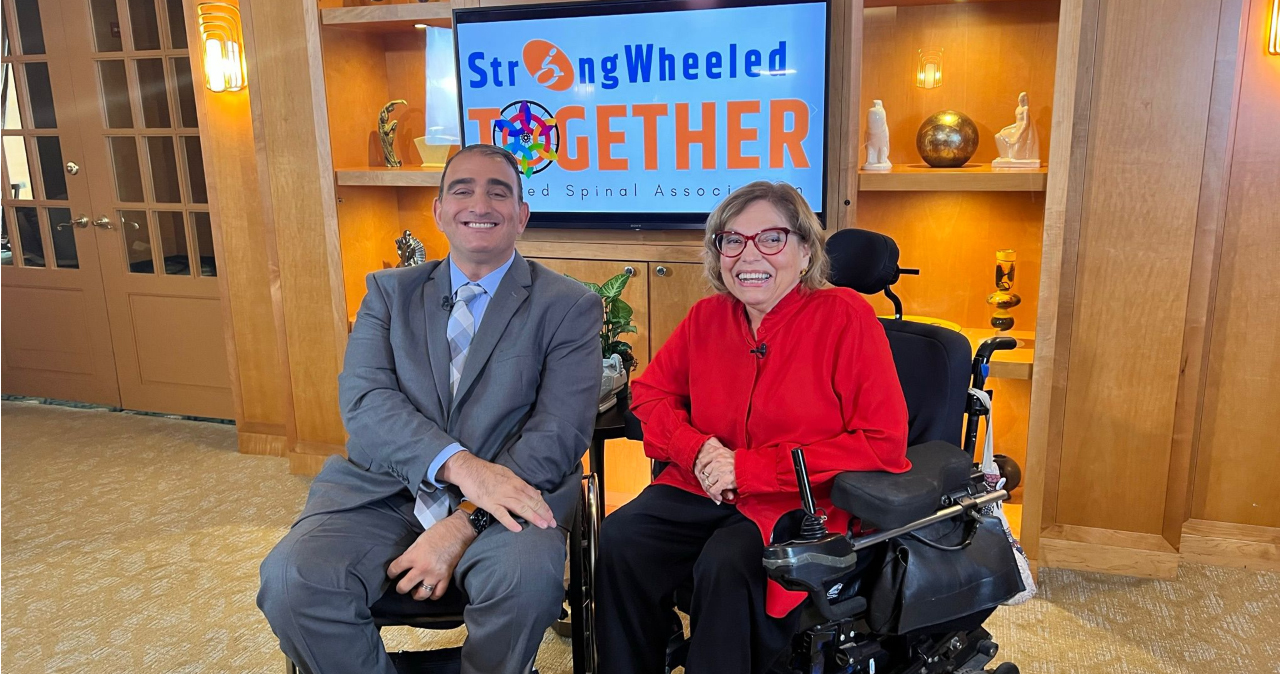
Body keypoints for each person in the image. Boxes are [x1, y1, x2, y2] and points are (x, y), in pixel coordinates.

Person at [257, 144, 603, 674]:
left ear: (522, 215)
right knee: (291, 581)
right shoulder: (388, 293)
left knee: (526, 582)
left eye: (499, 191)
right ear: (439, 211)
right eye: (461, 189)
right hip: (383, 495)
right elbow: (367, 403)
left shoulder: (568, 306)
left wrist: (463, 521)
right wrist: (461, 467)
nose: (479, 203)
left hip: (506, 506)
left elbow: (558, 432)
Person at [595, 181, 910, 674]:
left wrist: (750, 468)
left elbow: (882, 442)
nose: (748, 255)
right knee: (620, 538)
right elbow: (650, 395)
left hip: (799, 501)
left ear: (805, 251)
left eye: (771, 238)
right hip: (701, 487)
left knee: (727, 565)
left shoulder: (847, 317)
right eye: (732, 240)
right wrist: (696, 451)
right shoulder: (708, 317)